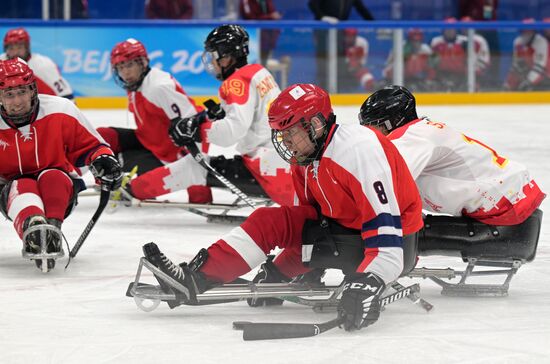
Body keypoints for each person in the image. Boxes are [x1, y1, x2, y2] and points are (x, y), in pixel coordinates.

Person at [140, 83, 424, 331]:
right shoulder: (304, 157)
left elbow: (389, 239)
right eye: (280, 132)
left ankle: (364, 276)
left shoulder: (359, 149)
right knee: (268, 218)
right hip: (348, 236)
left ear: (315, 125)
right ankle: (193, 278)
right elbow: (306, 230)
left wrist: (369, 283)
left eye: (290, 131)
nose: (284, 141)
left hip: (393, 246)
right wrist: (282, 272)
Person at [119, 25, 294, 207]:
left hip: (264, 171)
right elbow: (250, 111)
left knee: (193, 167)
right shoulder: (259, 72)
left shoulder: (235, 83)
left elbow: (232, 132)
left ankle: (133, 190)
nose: (211, 61)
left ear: (225, 56)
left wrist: (197, 130)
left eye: (213, 55)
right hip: (283, 165)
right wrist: (205, 117)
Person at [359, 85, 545, 226]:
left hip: (505, 205)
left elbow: (387, 186)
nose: (372, 133)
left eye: (375, 126)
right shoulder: (421, 130)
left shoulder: (411, 137)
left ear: (393, 121)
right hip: (514, 193)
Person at [0, 58, 122, 271]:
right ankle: (34, 229)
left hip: (59, 189)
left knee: (52, 176)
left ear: (33, 91)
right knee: (22, 185)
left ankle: (52, 230)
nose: (17, 101)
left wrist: (104, 160)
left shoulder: (61, 109)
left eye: (22, 92)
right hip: (11, 193)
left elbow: (93, 147)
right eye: (9, 95)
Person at [96, 38, 211, 204]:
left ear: (142, 63)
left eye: (129, 65)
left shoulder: (159, 87)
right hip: (149, 142)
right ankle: (71, 175)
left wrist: (199, 190)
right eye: (120, 68)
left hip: (170, 155)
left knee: (136, 189)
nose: (125, 73)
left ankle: (138, 184)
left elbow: (195, 126)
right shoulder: (136, 84)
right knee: (102, 136)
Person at [308, 0, 374, 90]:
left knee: (340, 60)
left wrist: (376, 24)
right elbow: (312, 4)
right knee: (323, 60)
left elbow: (361, 8)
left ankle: (339, 87)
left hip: (340, 31)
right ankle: (322, 88)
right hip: (322, 29)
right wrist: (322, 17)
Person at [1, 27, 74, 100]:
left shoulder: (43, 65)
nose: (15, 53)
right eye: (11, 48)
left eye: (19, 48)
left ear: (27, 48)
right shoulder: (1, 62)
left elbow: (66, 94)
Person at [504, 19, 550, 91]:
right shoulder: (518, 42)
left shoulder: (541, 42)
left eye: (529, 30)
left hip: (545, 79)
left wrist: (528, 82)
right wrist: (509, 83)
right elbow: (517, 65)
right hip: (527, 75)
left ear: (534, 31)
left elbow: (540, 68)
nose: (526, 32)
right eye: (524, 30)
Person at [430, 17, 468, 91]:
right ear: (444, 30)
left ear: (456, 30)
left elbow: (468, 61)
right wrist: (433, 76)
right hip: (441, 76)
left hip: (460, 76)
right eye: (448, 29)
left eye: (452, 29)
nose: (450, 31)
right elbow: (432, 63)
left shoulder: (464, 42)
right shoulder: (436, 42)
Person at [239, 0, 282, 65]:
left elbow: (273, 14)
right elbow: (250, 18)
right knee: (251, 61)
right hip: (252, 37)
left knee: (264, 59)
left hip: (267, 36)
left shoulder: (266, 1)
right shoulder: (246, 1)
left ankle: (263, 72)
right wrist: (270, 16)